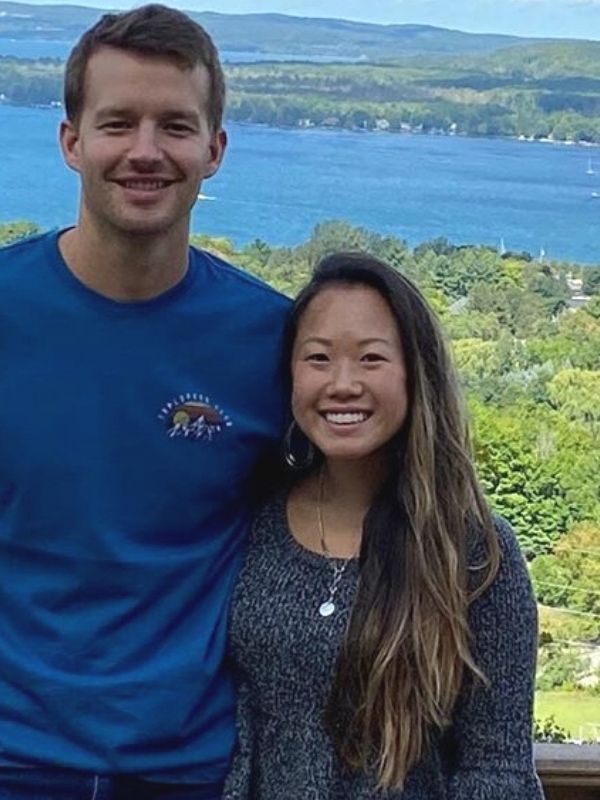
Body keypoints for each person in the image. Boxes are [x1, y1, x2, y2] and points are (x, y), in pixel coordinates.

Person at [0, 5, 290, 799]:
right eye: (118, 122)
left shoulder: (272, 341)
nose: (146, 150)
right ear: (71, 142)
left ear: (214, 150)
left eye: (176, 126)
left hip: (190, 768)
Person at [224, 252, 545, 799]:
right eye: (318, 358)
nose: (343, 383)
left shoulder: (471, 549)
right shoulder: (251, 518)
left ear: (416, 374)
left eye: (371, 358)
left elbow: (497, 768)